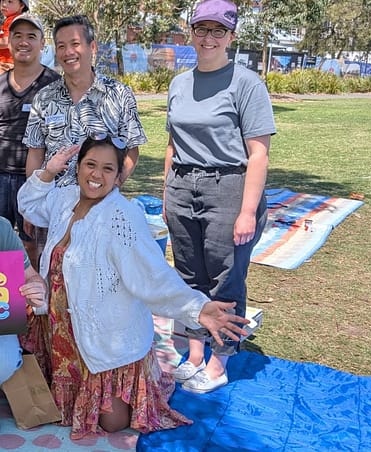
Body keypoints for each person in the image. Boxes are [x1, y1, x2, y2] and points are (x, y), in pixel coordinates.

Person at [17, 135, 249, 439]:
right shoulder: (65, 198)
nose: (96, 175)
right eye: (90, 165)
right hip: (58, 328)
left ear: (118, 176)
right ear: (77, 168)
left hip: (102, 334)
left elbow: (153, 275)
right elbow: (28, 205)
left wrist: (198, 308)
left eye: (107, 169)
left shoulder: (122, 217)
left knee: (113, 422)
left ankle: (140, 378)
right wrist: (48, 172)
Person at [163, 0, 276, 394]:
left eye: (218, 31)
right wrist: (167, 192)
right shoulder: (179, 83)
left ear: (231, 36)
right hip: (182, 186)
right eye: (201, 29)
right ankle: (194, 353)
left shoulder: (247, 83)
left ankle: (219, 359)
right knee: (189, 276)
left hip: (228, 187)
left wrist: (247, 211)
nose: (208, 38)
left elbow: (258, 153)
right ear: (190, 32)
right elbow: (172, 144)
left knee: (226, 278)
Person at [23, 14, 147, 187]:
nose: (68, 52)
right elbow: (35, 154)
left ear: (93, 47)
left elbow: (132, 150)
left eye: (75, 44)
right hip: (52, 206)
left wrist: (110, 187)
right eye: (61, 46)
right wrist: (34, 198)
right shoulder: (43, 98)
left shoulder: (119, 94)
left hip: (100, 208)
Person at [0, 13, 60, 270]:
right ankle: (8, 307)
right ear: (9, 40)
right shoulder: (1, 84)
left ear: (42, 43)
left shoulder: (56, 85)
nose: (24, 42)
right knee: (3, 248)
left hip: (35, 180)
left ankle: (34, 306)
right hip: (0, 176)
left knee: (32, 247)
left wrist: (39, 188)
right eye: (18, 36)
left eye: (31, 37)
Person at [0, 216, 47, 385]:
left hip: (2, 320)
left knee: (4, 360)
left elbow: (32, 276)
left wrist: (36, 288)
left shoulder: (2, 229)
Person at [0, 0, 30, 73]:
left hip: (7, 63)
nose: (4, 4)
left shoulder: (14, 20)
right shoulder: (12, 19)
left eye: (10, 1)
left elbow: (6, 41)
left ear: (21, 5)